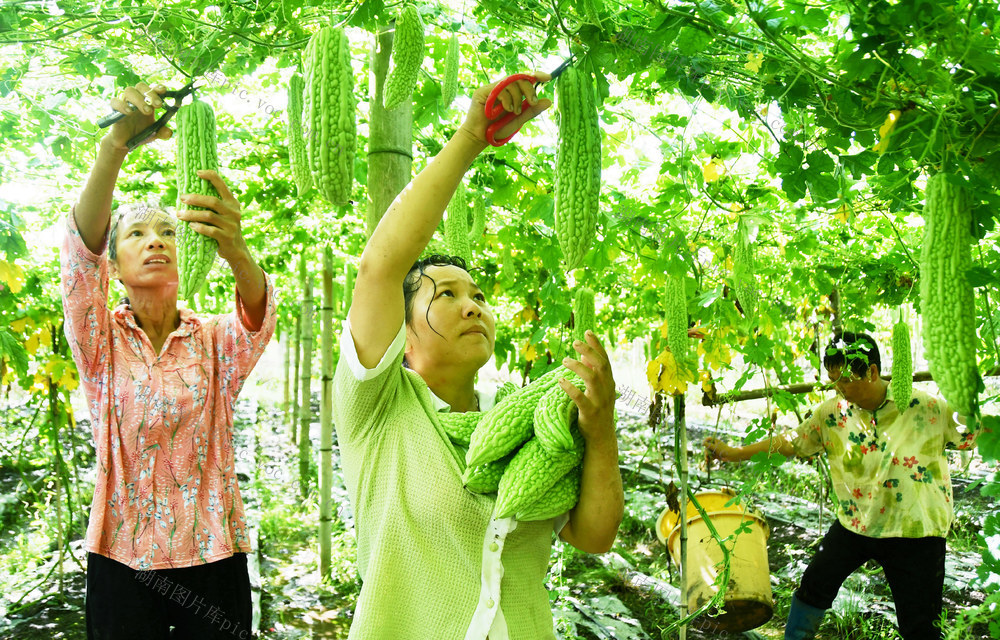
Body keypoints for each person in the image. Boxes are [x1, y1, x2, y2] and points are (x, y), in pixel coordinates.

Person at [331, 71, 625, 639]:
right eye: (446, 296)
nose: (473, 307)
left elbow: (594, 537)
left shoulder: (526, 422)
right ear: (402, 335)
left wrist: (601, 426)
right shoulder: (377, 411)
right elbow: (379, 268)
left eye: (479, 296)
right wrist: (471, 137)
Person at [61, 81, 277, 639]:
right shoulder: (98, 340)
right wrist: (115, 146)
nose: (156, 240)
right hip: (121, 556)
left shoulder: (213, 340)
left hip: (212, 552)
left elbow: (256, 314)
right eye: (137, 233)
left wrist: (236, 249)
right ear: (114, 262)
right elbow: (80, 253)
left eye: (169, 232)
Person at [705, 331, 980, 640]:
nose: (840, 388)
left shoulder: (925, 407)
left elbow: (971, 436)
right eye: (834, 380)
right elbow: (792, 441)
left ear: (872, 372)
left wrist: (964, 386)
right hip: (856, 523)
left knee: (920, 625)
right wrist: (736, 453)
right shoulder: (833, 413)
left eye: (846, 380)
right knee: (814, 586)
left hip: (915, 530)